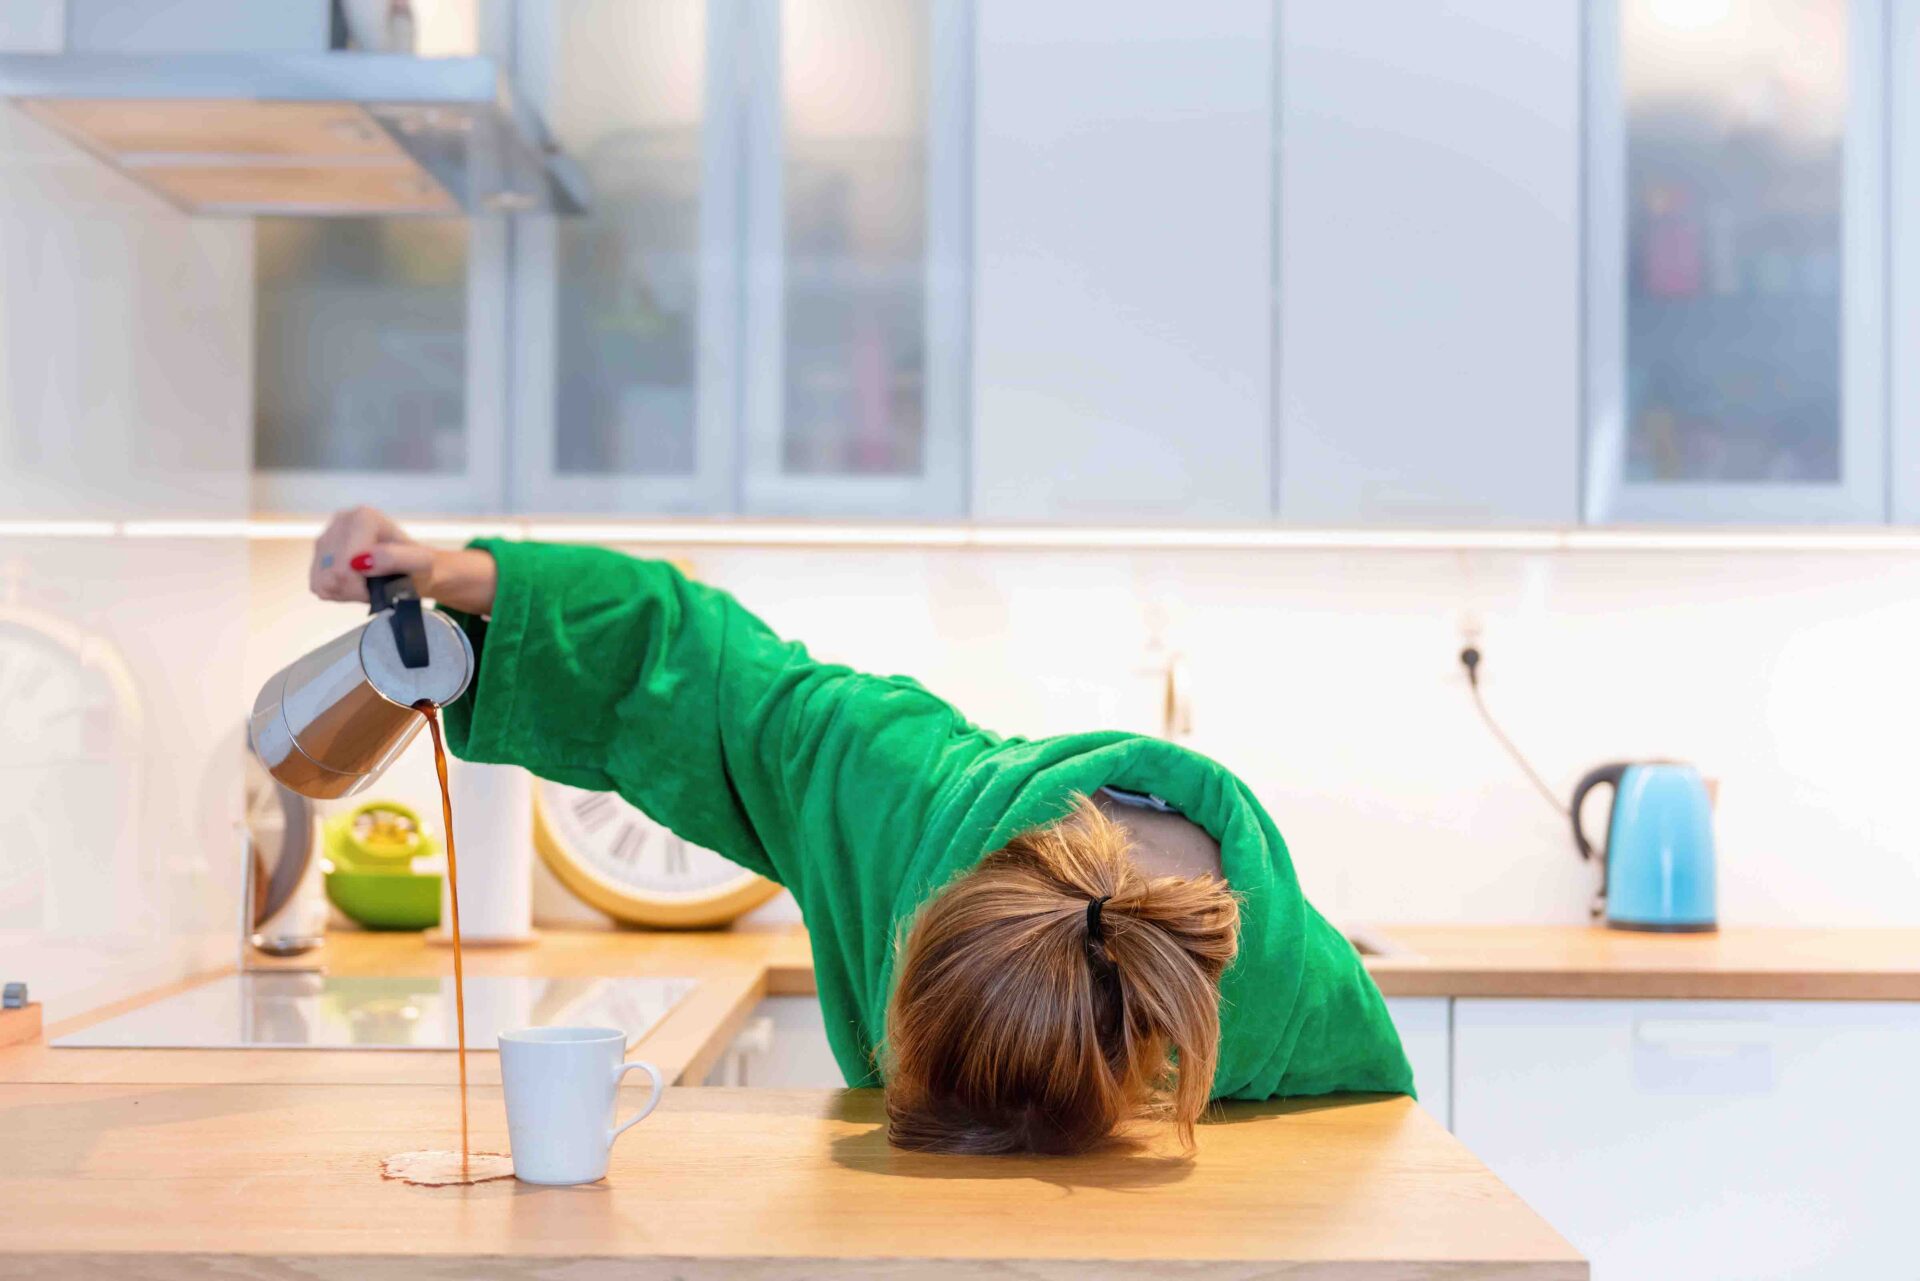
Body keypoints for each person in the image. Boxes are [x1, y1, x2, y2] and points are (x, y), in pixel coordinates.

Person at [311, 507, 1412, 1156]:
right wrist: (459, 577)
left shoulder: (1298, 1009)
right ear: (919, 916)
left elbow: (1367, 1181)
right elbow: (696, 663)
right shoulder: (895, 795)